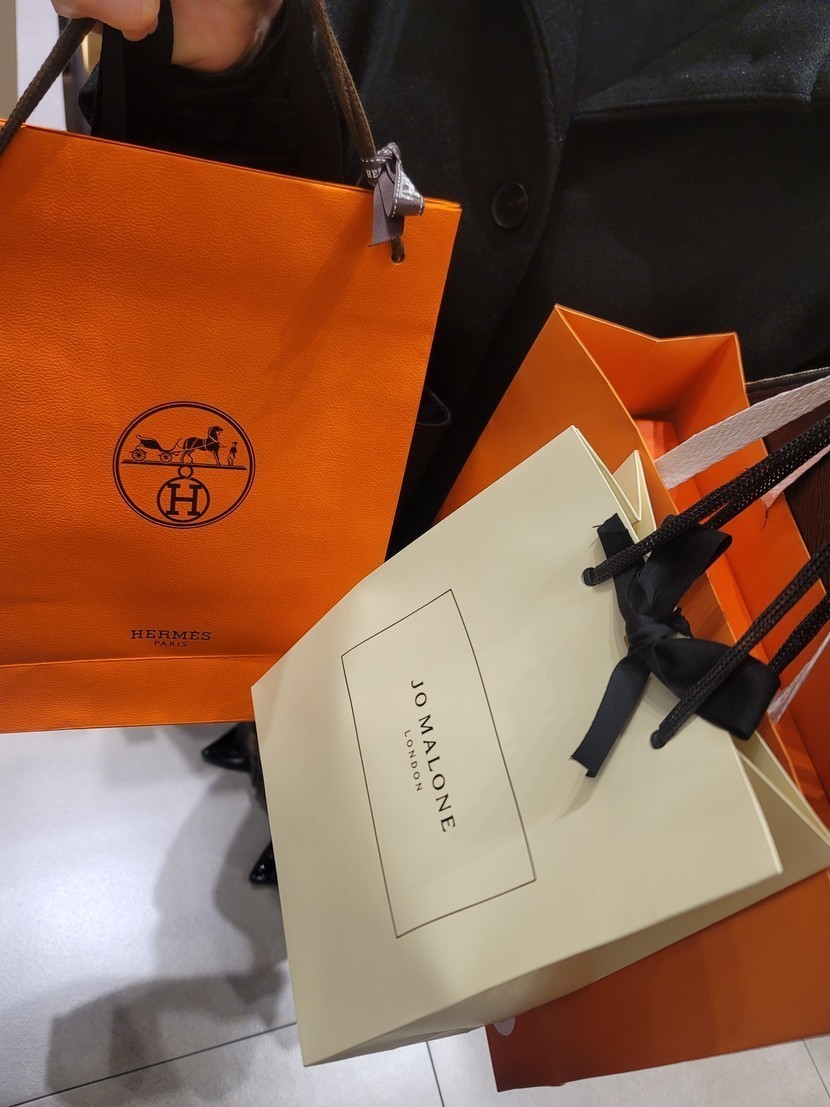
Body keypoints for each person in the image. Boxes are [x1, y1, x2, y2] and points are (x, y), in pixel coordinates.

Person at [51, 0, 830, 879]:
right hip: (288, 438)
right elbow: (229, 158)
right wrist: (224, 61)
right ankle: (276, 754)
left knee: (414, 804)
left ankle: (329, 828)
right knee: (274, 669)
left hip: (547, 597)